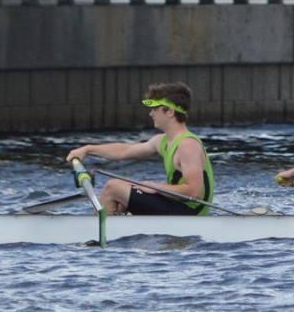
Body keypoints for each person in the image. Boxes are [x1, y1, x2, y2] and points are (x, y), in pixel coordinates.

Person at [64, 82, 214, 216]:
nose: (150, 113)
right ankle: (115, 231)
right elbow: (125, 151)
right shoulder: (161, 141)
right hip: (177, 205)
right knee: (124, 193)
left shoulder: (187, 145)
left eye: (154, 109)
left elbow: (195, 192)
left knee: (113, 187)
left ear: (169, 112)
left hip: (191, 211)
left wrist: (155, 187)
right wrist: (88, 149)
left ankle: (99, 236)